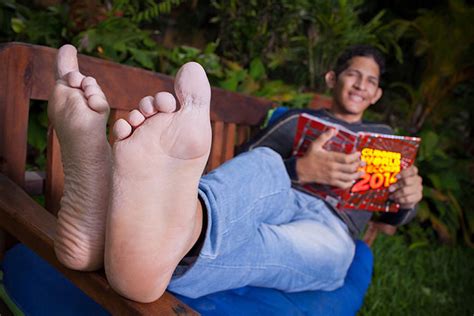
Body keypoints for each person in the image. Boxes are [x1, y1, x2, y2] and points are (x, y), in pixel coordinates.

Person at [48, 44, 422, 303]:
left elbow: (391, 218)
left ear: (376, 94)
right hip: (281, 192)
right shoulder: (296, 121)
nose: (360, 84)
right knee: (265, 164)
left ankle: (166, 234)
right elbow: (244, 163)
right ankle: (170, 237)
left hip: (332, 225)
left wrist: (406, 199)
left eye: (369, 81)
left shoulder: (386, 142)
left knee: (271, 247)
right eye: (353, 75)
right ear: (331, 78)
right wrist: (301, 168)